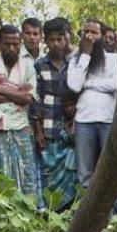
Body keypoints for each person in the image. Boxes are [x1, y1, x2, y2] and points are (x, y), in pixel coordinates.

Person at [0, 24, 39, 201]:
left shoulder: (28, 66)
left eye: (15, 44)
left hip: (20, 124)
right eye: (7, 44)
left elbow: (28, 98)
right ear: (0, 43)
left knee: (25, 172)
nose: (12, 48)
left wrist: (0, 90)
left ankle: (27, 214)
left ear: (20, 43)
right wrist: (15, 95)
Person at [68, 18, 117, 192]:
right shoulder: (75, 60)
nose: (89, 37)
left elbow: (116, 84)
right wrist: (85, 55)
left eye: (94, 33)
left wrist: (88, 83)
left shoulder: (114, 59)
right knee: (84, 171)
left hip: (108, 120)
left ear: (103, 36)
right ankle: (85, 214)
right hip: (84, 121)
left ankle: (112, 215)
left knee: (110, 170)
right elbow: (75, 86)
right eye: (86, 32)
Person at [32, 18, 76, 208]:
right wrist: (38, 130)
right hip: (48, 128)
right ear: (45, 41)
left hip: (71, 130)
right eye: (51, 40)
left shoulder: (75, 64)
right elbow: (35, 100)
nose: (56, 44)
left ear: (66, 39)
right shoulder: (39, 65)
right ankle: (49, 214)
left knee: (72, 173)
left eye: (59, 39)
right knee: (47, 173)